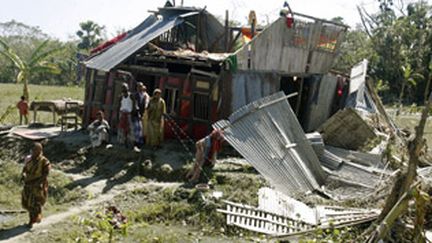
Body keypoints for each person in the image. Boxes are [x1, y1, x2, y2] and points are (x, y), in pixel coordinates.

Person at [21, 142, 51, 228]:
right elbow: (25, 169)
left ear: (40, 151)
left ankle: (32, 220)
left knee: (35, 203)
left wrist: (38, 182)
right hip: (28, 184)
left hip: (38, 185)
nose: (34, 152)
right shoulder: (28, 159)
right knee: (27, 202)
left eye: (36, 151)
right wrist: (23, 175)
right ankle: (35, 217)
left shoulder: (44, 161)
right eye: (33, 150)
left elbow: (46, 173)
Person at [131, 82, 148, 148]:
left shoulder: (144, 96)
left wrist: (142, 113)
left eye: (141, 87)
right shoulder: (134, 95)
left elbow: (145, 104)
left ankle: (139, 142)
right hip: (135, 113)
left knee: (140, 128)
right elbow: (135, 104)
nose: (140, 88)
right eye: (138, 87)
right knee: (136, 127)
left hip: (141, 113)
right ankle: (136, 142)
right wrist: (137, 110)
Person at [117, 83, 135, 147]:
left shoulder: (131, 96)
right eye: (123, 88)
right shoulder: (120, 97)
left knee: (129, 129)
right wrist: (118, 115)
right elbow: (118, 106)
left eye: (125, 88)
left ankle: (130, 142)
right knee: (121, 128)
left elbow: (134, 105)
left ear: (128, 88)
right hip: (122, 114)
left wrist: (133, 114)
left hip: (129, 114)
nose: (124, 89)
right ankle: (121, 142)